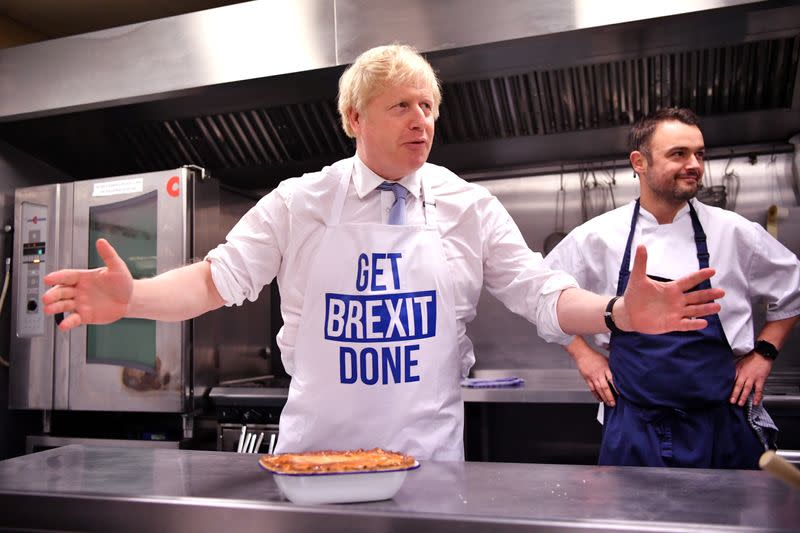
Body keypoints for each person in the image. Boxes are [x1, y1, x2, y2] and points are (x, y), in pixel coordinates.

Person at [41, 46, 722, 461]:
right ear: (354, 119)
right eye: (401, 105)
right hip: (314, 460)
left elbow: (541, 294)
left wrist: (616, 313)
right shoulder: (300, 200)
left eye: (428, 105)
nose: (421, 121)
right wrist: (133, 299)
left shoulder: (466, 204)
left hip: (427, 464)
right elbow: (216, 280)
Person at [545, 107, 800, 469]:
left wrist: (764, 354)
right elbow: (540, 296)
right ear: (640, 162)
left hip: (722, 424)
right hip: (633, 425)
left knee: (726, 525)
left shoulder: (735, 232)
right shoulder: (597, 236)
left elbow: (794, 289)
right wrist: (583, 354)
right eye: (679, 154)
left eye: (700, 154)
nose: (695, 164)